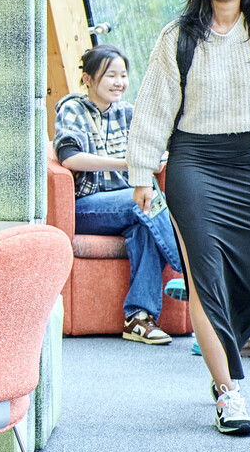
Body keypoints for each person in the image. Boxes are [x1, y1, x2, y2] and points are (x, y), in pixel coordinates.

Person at [126, 0, 250, 436]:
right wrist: (142, 174)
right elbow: (154, 107)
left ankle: (222, 353)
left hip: (246, 161)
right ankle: (229, 390)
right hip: (192, 163)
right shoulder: (179, 35)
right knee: (204, 279)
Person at [54, 44, 187, 345]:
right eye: (110, 75)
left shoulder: (128, 113)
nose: (119, 82)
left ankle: (138, 318)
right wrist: (126, 164)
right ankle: (191, 272)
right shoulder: (72, 109)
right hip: (86, 208)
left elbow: (155, 147)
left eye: (123, 75)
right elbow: (69, 158)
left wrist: (160, 158)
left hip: (128, 205)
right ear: (88, 79)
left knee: (143, 223)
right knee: (143, 200)